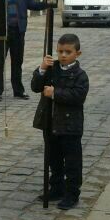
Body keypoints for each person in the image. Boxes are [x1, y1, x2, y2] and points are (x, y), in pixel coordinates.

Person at [31, 33, 89, 210]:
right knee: (53, 159)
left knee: (72, 162)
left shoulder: (80, 75)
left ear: (77, 54)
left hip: (70, 126)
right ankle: (56, 188)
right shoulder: (52, 68)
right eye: (60, 51)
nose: (63, 55)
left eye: (68, 52)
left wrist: (55, 93)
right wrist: (42, 69)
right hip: (50, 122)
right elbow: (35, 87)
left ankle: (72, 193)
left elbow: (78, 96)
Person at [0, 0, 49, 101]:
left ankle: (18, 90)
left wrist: (46, 3)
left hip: (18, 31)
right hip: (2, 32)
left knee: (17, 62)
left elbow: (31, 4)